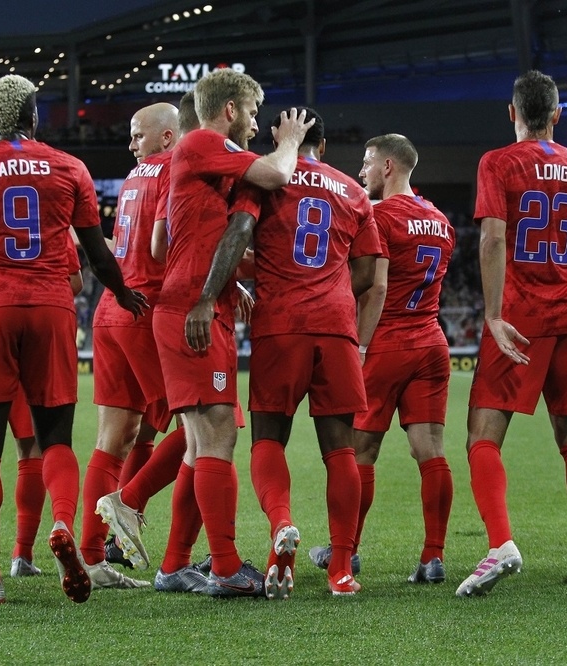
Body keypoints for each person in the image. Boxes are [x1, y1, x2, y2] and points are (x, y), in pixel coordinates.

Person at [0, 74, 146, 605]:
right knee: (55, 440)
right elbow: (95, 253)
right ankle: (62, 525)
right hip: (51, 308)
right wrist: (126, 292)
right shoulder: (70, 167)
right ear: (33, 115)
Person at [97, 69, 314, 598]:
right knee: (218, 435)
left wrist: (223, 281)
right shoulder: (199, 142)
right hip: (190, 308)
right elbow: (278, 173)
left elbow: (171, 238)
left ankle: (173, 562)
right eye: (255, 115)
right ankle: (222, 564)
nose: (261, 125)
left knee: (199, 443)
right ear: (232, 110)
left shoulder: (214, 163)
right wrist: (290, 143)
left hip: (199, 302)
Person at [456, 70, 567, 597]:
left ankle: (501, 544)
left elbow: (493, 240)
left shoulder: (498, 163)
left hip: (519, 319)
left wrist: (493, 314)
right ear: (556, 113)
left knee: (484, 434)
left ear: (511, 113)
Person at [217, 107, 380, 599]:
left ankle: (281, 526)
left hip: (279, 324)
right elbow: (369, 272)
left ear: (277, 136)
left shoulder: (264, 179)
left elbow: (238, 237)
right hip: (334, 326)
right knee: (341, 449)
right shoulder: (354, 192)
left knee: (268, 439)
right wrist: (326, 289)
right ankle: (341, 571)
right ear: (325, 146)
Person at [308, 133, 454, 585]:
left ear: (388, 167)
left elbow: (378, 285)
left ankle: (345, 551)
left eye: (368, 163)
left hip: (387, 342)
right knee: (430, 451)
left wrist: (362, 344)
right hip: (431, 341)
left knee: (357, 450)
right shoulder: (440, 220)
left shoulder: (377, 214)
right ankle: (433, 556)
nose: (361, 172)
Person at [79, 102, 183, 589]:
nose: (131, 143)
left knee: (121, 436)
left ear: (164, 136)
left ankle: (94, 555)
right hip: (147, 309)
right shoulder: (173, 170)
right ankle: (130, 504)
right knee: (203, 425)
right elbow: (167, 244)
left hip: (111, 310)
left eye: (137, 134)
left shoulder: (131, 178)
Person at [0, 217, 82, 584]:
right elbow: (75, 281)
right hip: (33, 336)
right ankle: (22, 553)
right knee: (35, 450)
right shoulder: (44, 214)